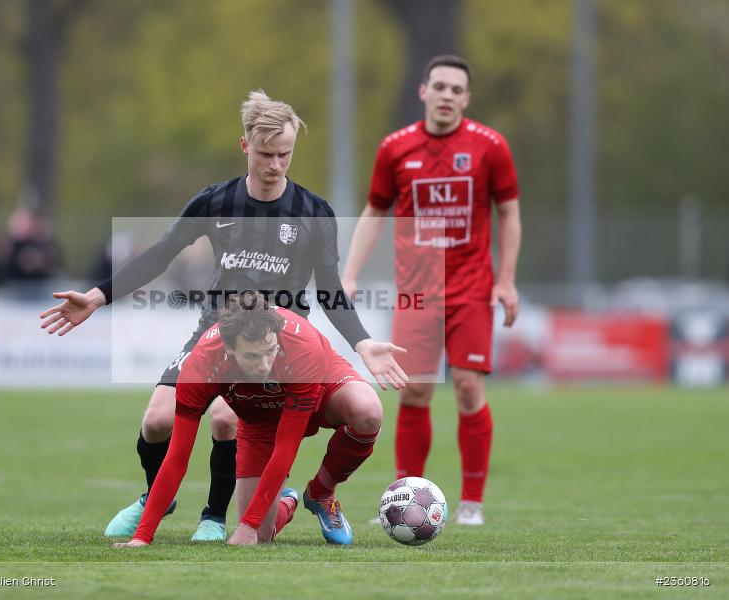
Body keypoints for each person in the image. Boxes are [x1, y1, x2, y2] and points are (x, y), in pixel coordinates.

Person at [40, 90, 406, 541]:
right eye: (266, 154)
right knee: (156, 421)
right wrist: (97, 298)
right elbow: (160, 255)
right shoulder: (215, 201)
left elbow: (329, 289)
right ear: (245, 146)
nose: (275, 165)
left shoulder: (314, 212)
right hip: (216, 331)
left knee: (236, 419)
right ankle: (158, 496)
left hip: (285, 344)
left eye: (285, 154)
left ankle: (222, 516)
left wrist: (363, 341)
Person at [341, 55, 522, 526]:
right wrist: (350, 274)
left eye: (456, 89)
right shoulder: (395, 148)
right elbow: (374, 213)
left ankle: (472, 503)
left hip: (471, 288)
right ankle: (402, 502)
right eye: (438, 86)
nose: (446, 95)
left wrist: (505, 281)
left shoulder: (489, 146)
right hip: (416, 293)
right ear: (423, 91)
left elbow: (509, 213)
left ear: (466, 98)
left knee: (467, 388)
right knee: (415, 391)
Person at [113, 293, 383, 547]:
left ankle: (321, 492)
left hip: (316, 386)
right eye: (253, 356)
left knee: (367, 410)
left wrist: (249, 525)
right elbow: (177, 457)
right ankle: (286, 502)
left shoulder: (303, 348)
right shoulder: (201, 366)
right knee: (262, 536)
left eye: (270, 351)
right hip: (258, 418)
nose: (264, 364)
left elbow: (286, 446)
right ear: (228, 348)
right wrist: (142, 537)